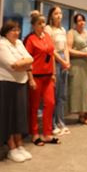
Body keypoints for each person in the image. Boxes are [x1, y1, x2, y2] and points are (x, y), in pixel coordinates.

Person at [0, 20, 34, 162]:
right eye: (13, 30)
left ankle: (19, 144)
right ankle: (11, 147)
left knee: (18, 116)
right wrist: (25, 64)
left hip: (19, 83)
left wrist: (24, 64)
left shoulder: (19, 43)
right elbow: (13, 65)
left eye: (18, 30)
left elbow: (30, 59)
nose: (16, 33)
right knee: (7, 117)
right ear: (5, 32)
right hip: (4, 84)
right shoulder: (1, 45)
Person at [25, 14, 61, 146]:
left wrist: (54, 73)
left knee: (50, 103)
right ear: (33, 25)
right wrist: (30, 79)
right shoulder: (30, 39)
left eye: (43, 23)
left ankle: (47, 133)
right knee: (34, 106)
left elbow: (51, 55)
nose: (42, 25)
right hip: (36, 77)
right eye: (39, 23)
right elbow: (27, 60)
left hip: (48, 76)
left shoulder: (47, 36)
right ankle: (34, 134)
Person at [45, 6, 70, 135]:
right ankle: (52, 123)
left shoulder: (63, 29)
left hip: (64, 60)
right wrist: (62, 61)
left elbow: (65, 47)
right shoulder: (48, 29)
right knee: (54, 94)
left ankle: (61, 122)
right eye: (56, 13)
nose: (59, 15)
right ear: (51, 15)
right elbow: (51, 49)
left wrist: (67, 61)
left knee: (62, 94)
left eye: (60, 13)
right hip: (55, 60)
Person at [67, 13, 87, 125]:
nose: (81, 22)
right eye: (79, 21)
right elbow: (68, 49)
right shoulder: (71, 33)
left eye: (83, 20)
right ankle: (81, 114)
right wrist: (84, 54)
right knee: (80, 89)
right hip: (78, 64)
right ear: (75, 23)